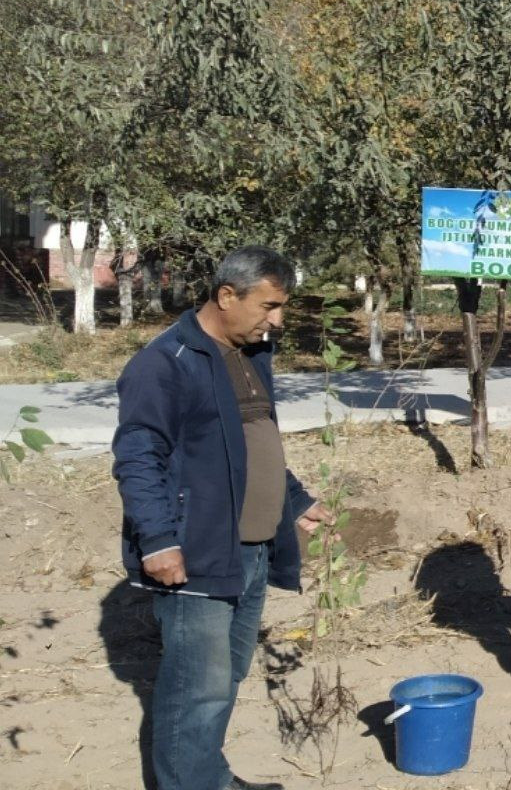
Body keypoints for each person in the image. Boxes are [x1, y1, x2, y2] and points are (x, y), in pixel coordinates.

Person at [113, 246, 330, 790]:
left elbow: (254, 440)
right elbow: (139, 457)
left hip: (251, 552)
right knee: (197, 688)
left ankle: (207, 777)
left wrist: (295, 499)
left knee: (224, 678)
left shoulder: (252, 354)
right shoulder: (163, 364)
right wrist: (158, 541)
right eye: (270, 306)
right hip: (198, 555)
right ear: (226, 295)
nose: (277, 320)